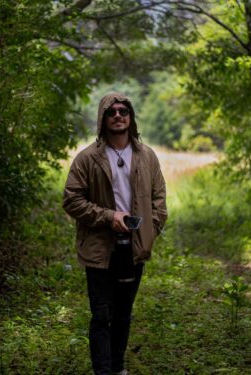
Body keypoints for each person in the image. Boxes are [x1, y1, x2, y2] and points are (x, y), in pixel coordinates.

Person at [63, 92, 167, 375]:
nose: (118, 115)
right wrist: (109, 217)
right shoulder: (88, 158)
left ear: (130, 117)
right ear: (103, 118)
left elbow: (159, 200)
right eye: (112, 112)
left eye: (123, 111)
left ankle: (118, 368)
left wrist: (150, 230)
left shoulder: (147, 156)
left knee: (122, 314)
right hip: (99, 249)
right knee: (101, 316)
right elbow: (72, 200)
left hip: (133, 249)